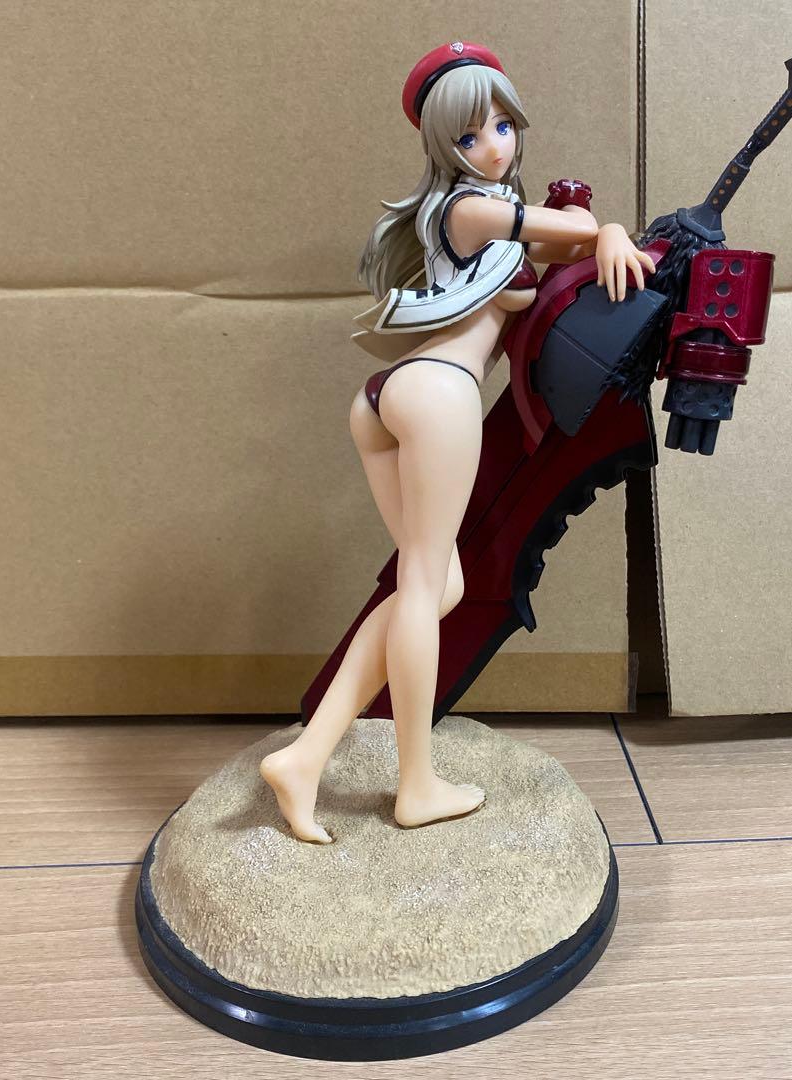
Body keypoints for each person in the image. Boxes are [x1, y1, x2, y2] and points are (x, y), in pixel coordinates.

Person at [260, 41, 655, 843]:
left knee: (434, 585)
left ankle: (304, 758)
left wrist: (592, 234)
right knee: (423, 587)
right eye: (471, 134)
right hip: (437, 393)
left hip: (392, 398)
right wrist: (609, 229)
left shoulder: (488, 225)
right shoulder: (466, 210)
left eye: (503, 125)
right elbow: (569, 232)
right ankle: (416, 784)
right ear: (443, 145)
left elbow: (556, 246)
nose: (494, 145)